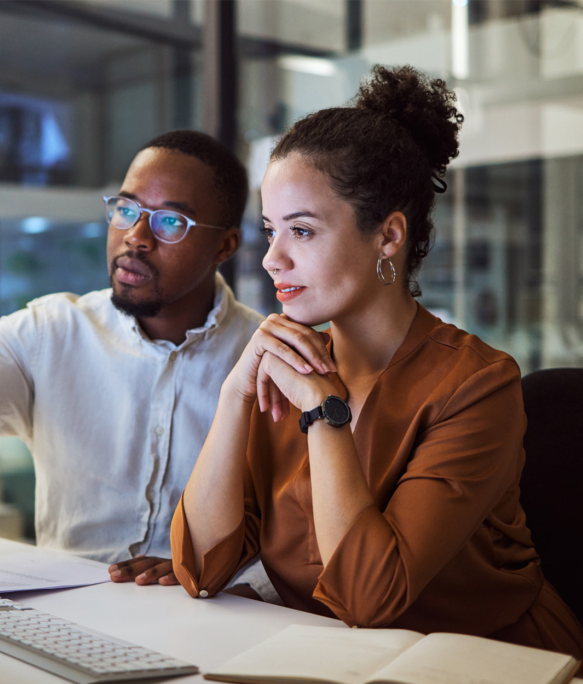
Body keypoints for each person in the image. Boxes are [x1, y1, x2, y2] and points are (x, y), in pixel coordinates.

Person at [172, 66, 583, 661]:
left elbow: (370, 596)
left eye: (303, 232)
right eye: (270, 232)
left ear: (389, 236)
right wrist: (236, 394)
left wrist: (324, 411)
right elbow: (200, 568)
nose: (272, 260)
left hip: (488, 663)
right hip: (329, 660)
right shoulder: (284, 365)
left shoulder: (476, 385)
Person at [0, 130, 274, 599]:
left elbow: (297, 540)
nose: (135, 237)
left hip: (210, 614)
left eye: (171, 222)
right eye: (127, 209)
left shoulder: (267, 360)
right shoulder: (51, 330)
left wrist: (219, 574)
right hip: (65, 611)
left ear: (226, 246)